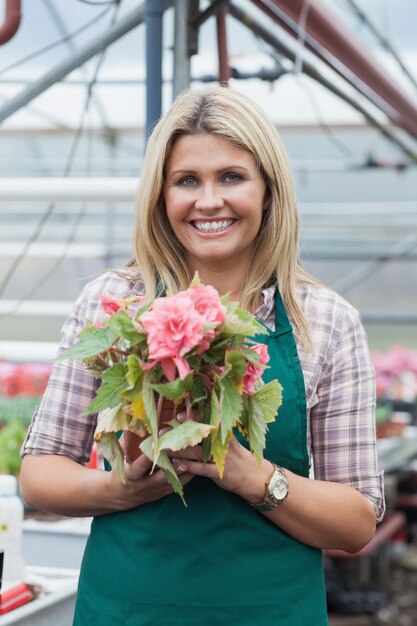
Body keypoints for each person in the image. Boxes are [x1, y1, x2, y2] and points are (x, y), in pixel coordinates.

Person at [20, 86, 384, 625]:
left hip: (269, 612)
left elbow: (355, 522)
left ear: (268, 191)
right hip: (127, 610)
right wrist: (119, 489)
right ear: (160, 197)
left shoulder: (325, 322)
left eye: (232, 177)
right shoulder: (114, 306)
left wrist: (252, 477)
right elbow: (39, 473)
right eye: (186, 180)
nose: (208, 200)